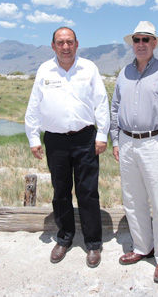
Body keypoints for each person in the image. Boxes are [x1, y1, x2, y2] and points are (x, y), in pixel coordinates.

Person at [110, 21, 158, 283]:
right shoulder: (124, 73)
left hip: (156, 143)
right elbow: (115, 107)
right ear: (132, 43)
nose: (141, 44)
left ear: (155, 43)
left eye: (146, 39)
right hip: (127, 142)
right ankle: (143, 247)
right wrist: (115, 140)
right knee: (133, 199)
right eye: (137, 39)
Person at [25, 27, 110, 268]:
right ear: (53, 46)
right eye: (60, 43)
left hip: (85, 138)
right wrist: (33, 138)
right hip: (55, 141)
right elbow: (34, 105)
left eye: (69, 42)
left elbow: (101, 103)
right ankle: (64, 238)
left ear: (77, 44)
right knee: (60, 191)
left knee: (88, 192)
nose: (65, 47)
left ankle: (93, 243)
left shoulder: (89, 68)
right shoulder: (44, 70)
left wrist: (102, 135)